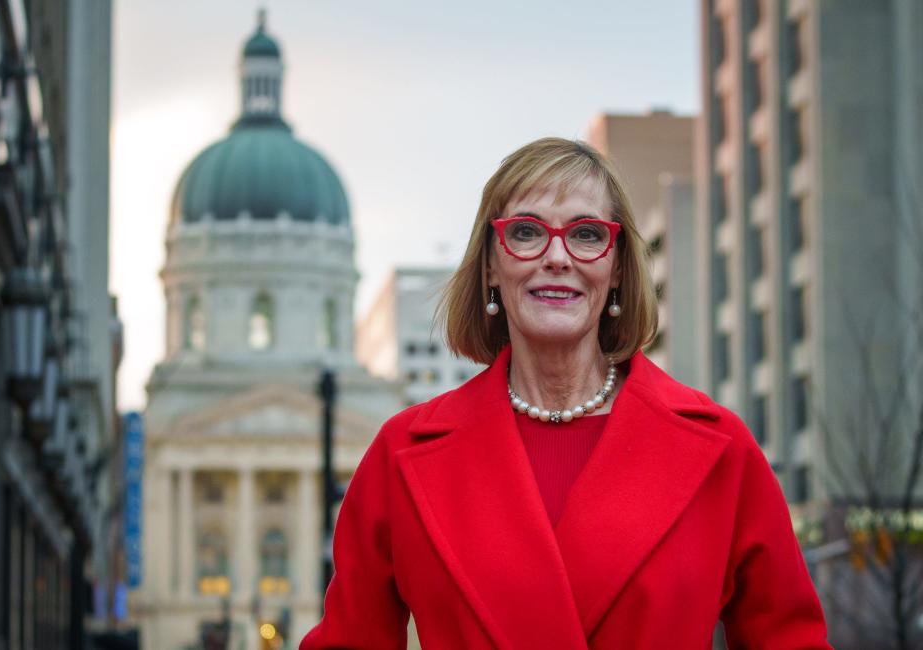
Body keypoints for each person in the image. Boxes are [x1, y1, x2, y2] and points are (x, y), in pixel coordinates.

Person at [300, 138, 831, 649]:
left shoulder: (722, 450)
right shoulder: (401, 455)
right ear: (490, 263)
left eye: (586, 234)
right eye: (527, 232)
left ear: (618, 267)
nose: (557, 256)